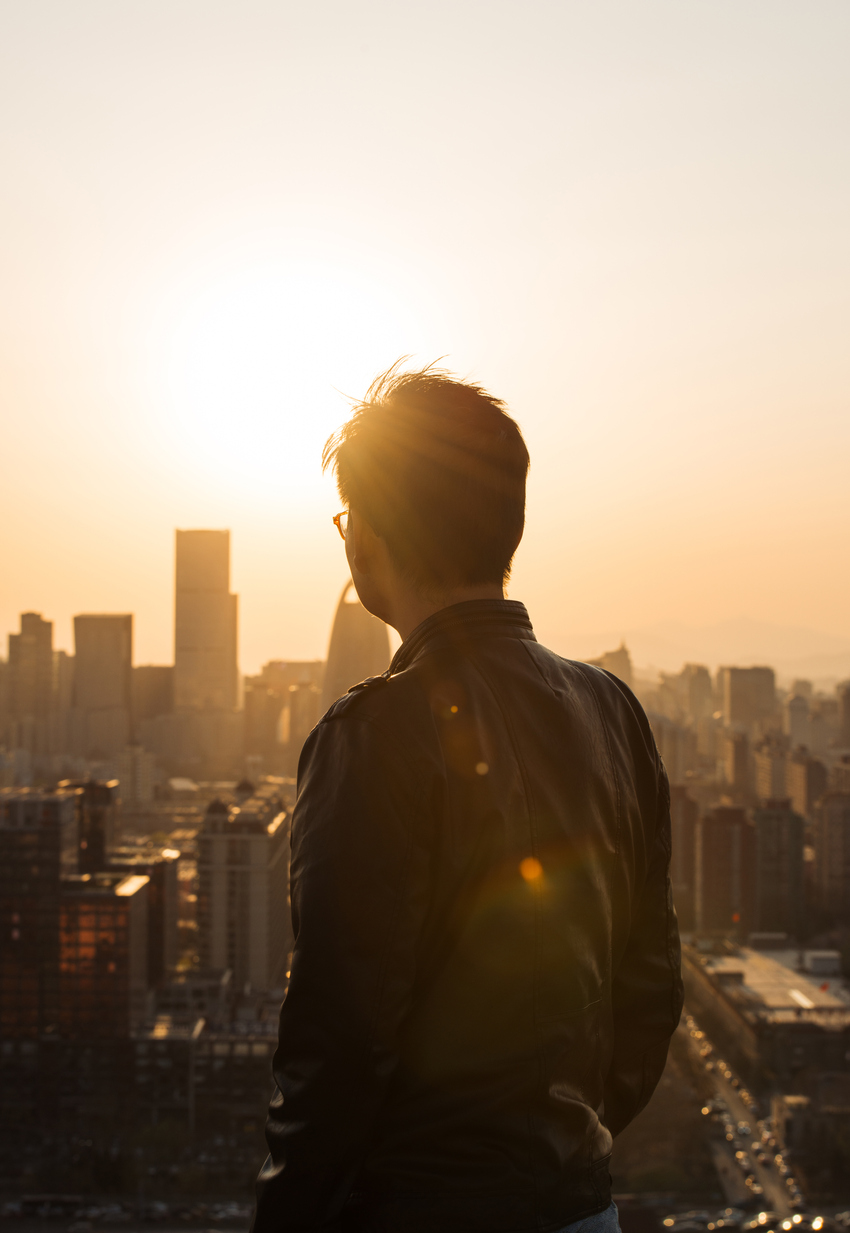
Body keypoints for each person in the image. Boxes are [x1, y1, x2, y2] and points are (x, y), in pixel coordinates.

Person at [252, 364, 683, 1233]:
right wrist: (565, 1136)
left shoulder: (373, 733)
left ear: (370, 533)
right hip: (581, 1207)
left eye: (347, 520)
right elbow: (652, 981)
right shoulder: (611, 709)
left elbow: (339, 1036)